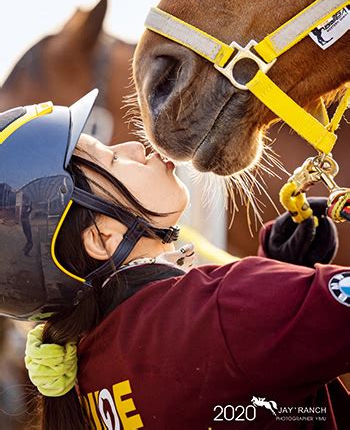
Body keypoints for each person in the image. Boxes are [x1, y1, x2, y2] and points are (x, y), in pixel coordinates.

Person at [0, 90, 348, 430]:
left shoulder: (89, 370)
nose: (135, 147)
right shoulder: (224, 310)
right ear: (102, 237)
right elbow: (222, 331)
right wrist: (270, 294)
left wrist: (280, 274)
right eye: (112, 159)